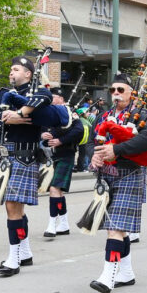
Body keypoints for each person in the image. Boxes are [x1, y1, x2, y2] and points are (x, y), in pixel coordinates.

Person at [0, 57, 52, 276]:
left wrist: (20, 113)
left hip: (24, 157)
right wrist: (7, 119)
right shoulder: (2, 93)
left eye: (16, 69)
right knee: (13, 208)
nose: (11, 72)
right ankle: (25, 251)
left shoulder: (37, 92)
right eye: (11, 69)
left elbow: (45, 97)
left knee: (13, 206)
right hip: (6, 158)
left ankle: (14, 258)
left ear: (28, 74)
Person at [89, 73, 147, 293]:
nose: (116, 94)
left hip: (129, 174)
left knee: (114, 228)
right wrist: (94, 155)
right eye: (113, 90)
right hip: (106, 177)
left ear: (131, 93)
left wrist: (116, 150)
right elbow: (92, 141)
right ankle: (126, 273)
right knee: (119, 229)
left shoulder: (141, 114)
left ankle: (108, 276)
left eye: (121, 90)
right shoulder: (103, 115)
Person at [41, 87, 84, 238]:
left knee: (53, 189)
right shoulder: (50, 114)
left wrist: (60, 140)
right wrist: (45, 136)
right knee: (58, 191)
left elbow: (79, 131)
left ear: (61, 98)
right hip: (54, 156)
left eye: (54, 97)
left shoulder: (69, 112)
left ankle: (52, 224)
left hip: (67, 154)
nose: (51, 99)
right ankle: (64, 223)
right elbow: (46, 139)